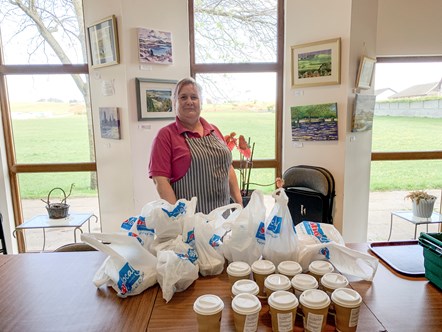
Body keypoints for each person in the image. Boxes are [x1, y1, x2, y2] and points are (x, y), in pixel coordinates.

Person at [148, 77, 243, 214]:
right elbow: (160, 180)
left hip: (222, 217)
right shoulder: (165, 135)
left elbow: (227, 167)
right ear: (174, 102)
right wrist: (178, 216)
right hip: (190, 221)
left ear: (201, 103)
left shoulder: (214, 130)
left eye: (194, 97)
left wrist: (239, 203)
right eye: (183, 97)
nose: (189, 102)